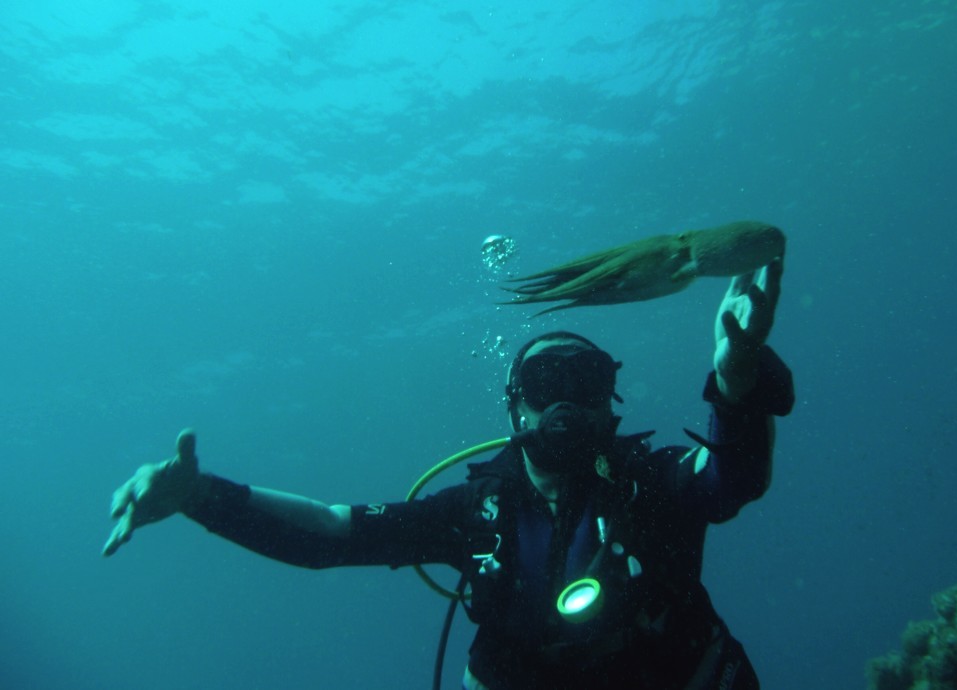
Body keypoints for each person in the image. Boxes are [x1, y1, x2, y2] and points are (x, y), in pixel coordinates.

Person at [103, 259, 793, 690]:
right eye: (543, 381)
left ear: (609, 400)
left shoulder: (651, 483)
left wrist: (737, 379)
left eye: (583, 381)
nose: (563, 402)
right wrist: (201, 496)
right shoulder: (474, 515)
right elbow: (333, 533)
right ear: (513, 403)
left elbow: (731, 478)